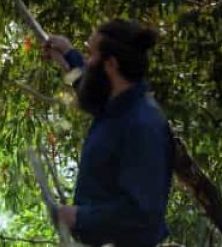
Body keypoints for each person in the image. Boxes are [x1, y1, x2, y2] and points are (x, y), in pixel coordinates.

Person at [43, 19, 173, 247]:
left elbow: (142, 213)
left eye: (90, 54)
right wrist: (66, 56)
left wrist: (79, 217)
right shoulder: (115, 107)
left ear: (111, 64)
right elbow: (86, 88)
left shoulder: (142, 124)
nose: (86, 61)